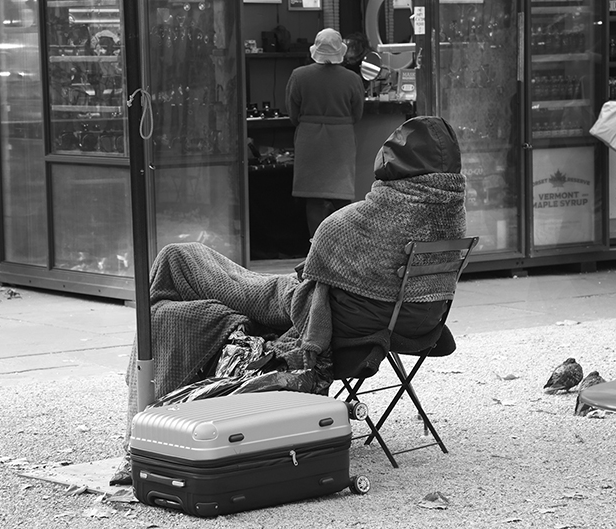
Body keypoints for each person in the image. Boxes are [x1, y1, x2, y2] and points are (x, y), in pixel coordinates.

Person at [110, 116, 467, 485]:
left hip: (318, 314)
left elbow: (308, 281)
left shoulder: (350, 223)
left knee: (177, 258)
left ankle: (143, 384)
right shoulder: (451, 218)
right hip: (412, 325)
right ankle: (157, 325)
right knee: (185, 275)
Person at [285, 28, 365, 238]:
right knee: (341, 197)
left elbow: (293, 114)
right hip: (342, 141)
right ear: (341, 51)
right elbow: (357, 114)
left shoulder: (299, 76)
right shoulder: (352, 79)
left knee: (313, 198)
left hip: (309, 140)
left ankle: (316, 245)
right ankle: (339, 246)